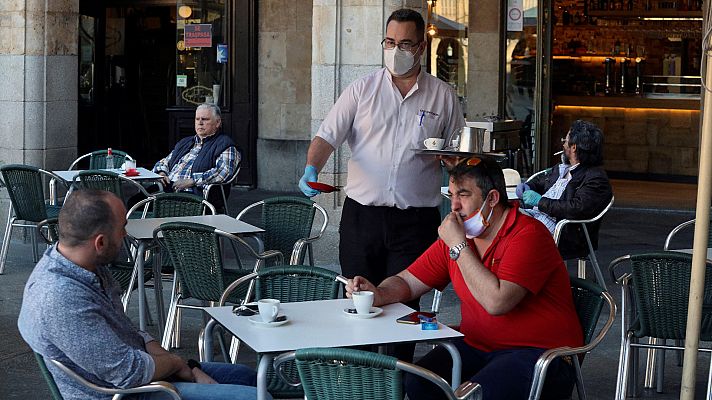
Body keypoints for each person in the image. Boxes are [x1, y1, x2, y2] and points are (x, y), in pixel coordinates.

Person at [345, 157, 583, 400]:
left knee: (475, 394)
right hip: (478, 345)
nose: (454, 206)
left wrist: (458, 246)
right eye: (451, 195)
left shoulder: (527, 234)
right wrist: (379, 293)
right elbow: (408, 281)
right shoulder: (461, 235)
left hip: (541, 354)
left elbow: (497, 303)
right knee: (419, 382)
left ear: (492, 198)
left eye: (464, 195)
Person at [297, 8, 465, 343]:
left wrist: (453, 164)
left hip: (415, 222)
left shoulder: (443, 96)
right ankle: (361, 380)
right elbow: (327, 136)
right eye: (389, 42)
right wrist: (311, 168)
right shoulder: (362, 90)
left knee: (403, 309)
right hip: (363, 219)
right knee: (359, 300)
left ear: (420, 47)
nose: (396, 50)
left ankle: (397, 383)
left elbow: (457, 155)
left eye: (405, 44)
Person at [18, 190, 264, 400]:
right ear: (100, 243)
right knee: (254, 397)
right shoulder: (60, 297)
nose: (126, 234)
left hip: (143, 371)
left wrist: (179, 365)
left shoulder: (87, 267)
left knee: (246, 376)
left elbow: (130, 333)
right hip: (125, 393)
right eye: (122, 228)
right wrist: (179, 365)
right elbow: (128, 372)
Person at [516, 119, 613, 259]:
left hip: (565, 232)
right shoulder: (563, 168)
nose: (563, 144)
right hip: (538, 219)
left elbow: (576, 208)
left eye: (566, 140)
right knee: (502, 218)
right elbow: (541, 181)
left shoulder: (596, 179)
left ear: (574, 147)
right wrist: (528, 186)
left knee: (510, 232)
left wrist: (539, 201)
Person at [152, 103, 240, 211]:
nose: (200, 123)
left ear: (217, 123)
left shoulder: (225, 144)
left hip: (195, 195)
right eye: (197, 119)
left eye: (205, 119)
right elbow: (165, 161)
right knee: (135, 201)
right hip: (168, 189)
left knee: (151, 205)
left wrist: (193, 181)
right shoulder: (186, 142)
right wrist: (162, 173)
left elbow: (224, 173)